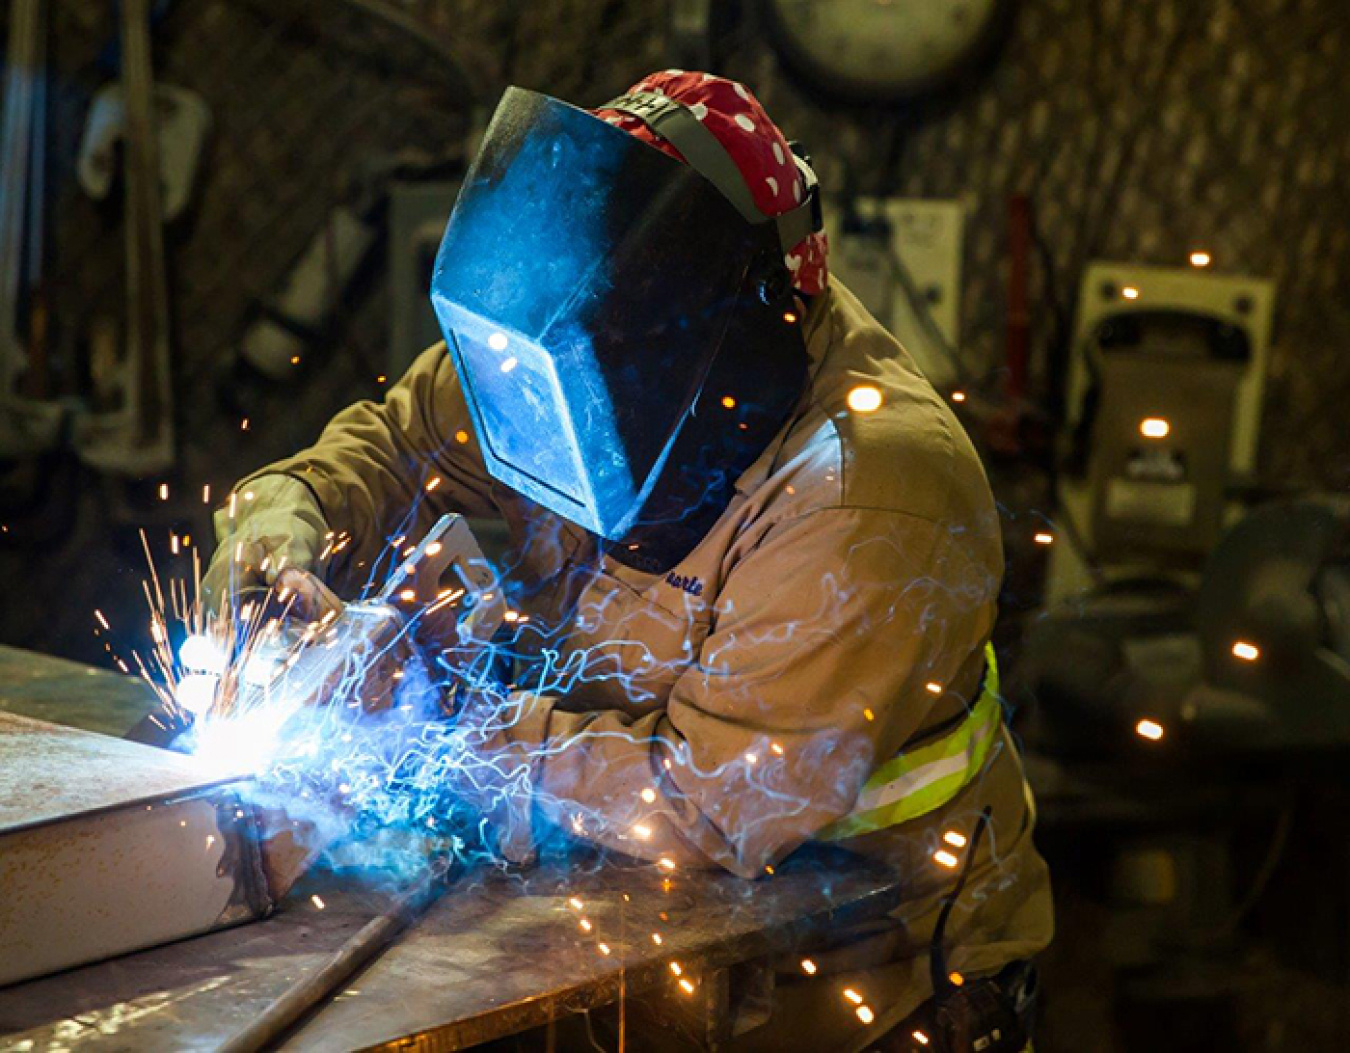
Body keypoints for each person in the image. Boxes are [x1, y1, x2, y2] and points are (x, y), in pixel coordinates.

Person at [203, 71, 1051, 1049]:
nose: (526, 416)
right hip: (646, 946)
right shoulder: (559, 329)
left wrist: (446, 723)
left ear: (706, 342)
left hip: (878, 983)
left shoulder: (868, 489)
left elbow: (712, 805)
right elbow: (396, 446)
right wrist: (282, 530)